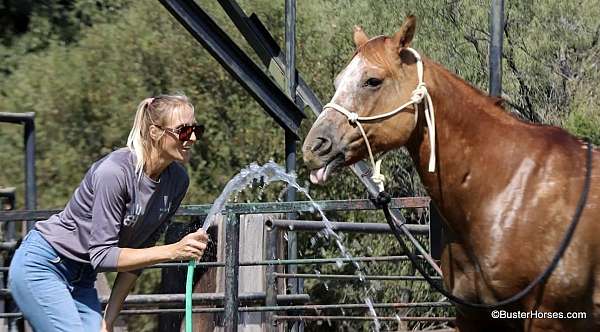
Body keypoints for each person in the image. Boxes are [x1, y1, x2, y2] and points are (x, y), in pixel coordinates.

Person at [8, 94, 209, 332]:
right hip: (43, 266)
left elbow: (138, 257)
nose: (193, 138)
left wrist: (108, 319)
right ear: (155, 132)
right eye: (184, 131)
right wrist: (173, 251)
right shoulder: (114, 173)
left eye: (197, 129)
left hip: (83, 278)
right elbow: (102, 255)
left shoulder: (177, 181)